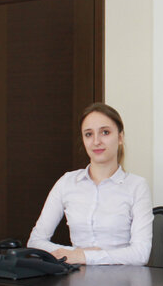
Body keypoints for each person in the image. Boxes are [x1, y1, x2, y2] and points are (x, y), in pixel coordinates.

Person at [27, 102, 153, 265]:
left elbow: (141, 254)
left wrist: (86, 257)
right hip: (77, 275)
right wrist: (76, 253)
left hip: (122, 277)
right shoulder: (67, 182)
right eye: (88, 134)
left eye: (105, 132)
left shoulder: (137, 186)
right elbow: (35, 242)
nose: (96, 141)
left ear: (120, 137)